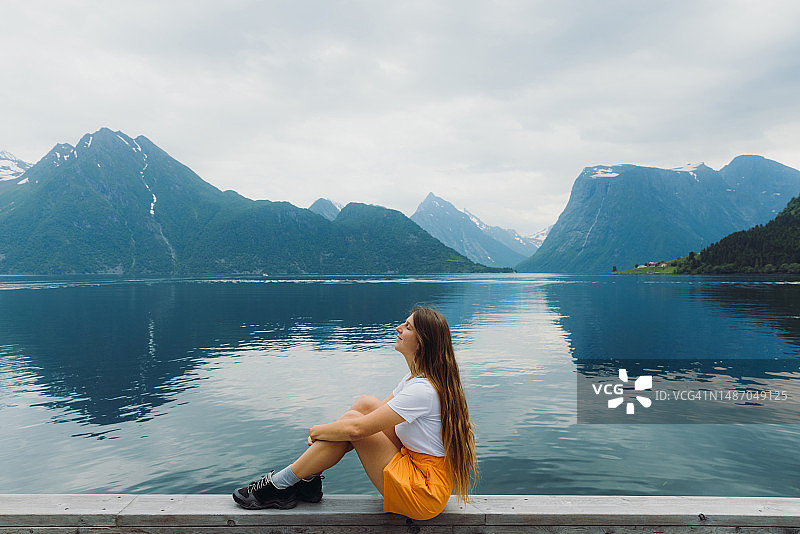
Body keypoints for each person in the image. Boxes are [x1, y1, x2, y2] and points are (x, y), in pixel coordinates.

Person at [232, 306, 478, 520]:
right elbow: (371, 416)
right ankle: (307, 481)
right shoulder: (416, 379)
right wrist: (334, 435)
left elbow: (358, 430)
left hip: (422, 492)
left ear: (422, 342)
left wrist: (317, 432)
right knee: (366, 403)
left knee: (353, 424)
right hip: (420, 472)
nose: (398, 329)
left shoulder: (423, 390)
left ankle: (281, 485)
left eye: (408, 327)